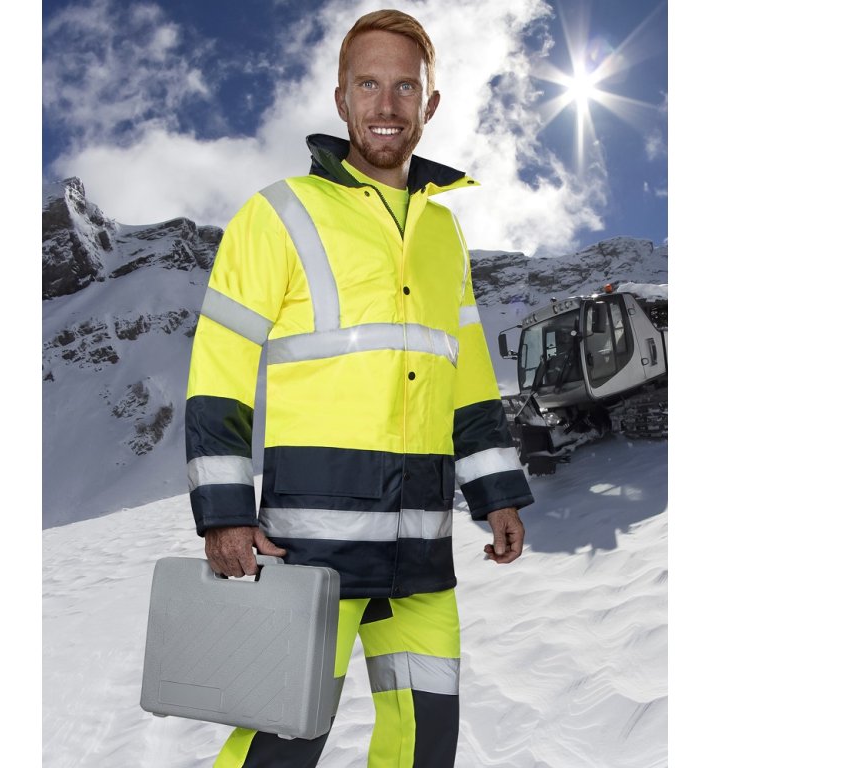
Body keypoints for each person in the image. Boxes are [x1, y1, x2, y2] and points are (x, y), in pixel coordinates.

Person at [184, 9, 534, 766]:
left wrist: (496, 495)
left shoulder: (443, 233)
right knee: (279, 742)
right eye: (368, 85)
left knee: (423, 743)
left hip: (421, 550)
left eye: (405, 87)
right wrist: (224, 512)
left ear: (429, 103)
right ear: (340, 98)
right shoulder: (279, 214)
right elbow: (219, 369)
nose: (386, 105)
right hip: (312, 549)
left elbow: (469, 377)